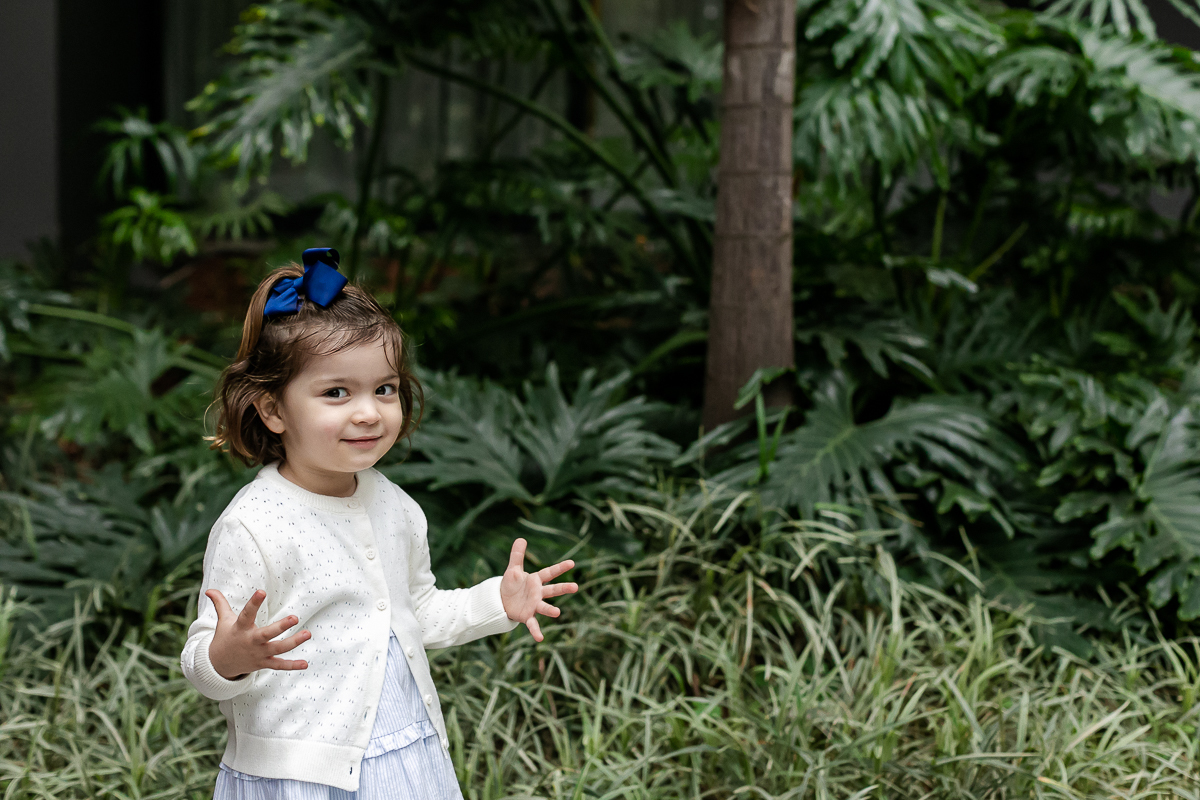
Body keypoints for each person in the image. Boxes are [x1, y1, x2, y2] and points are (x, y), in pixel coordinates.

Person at [180, 248, 578, 799]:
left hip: (405, 759)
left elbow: (417, 614)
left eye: (383, 389)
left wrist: (498, 603)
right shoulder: (254, 525)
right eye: (336, 392)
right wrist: (229, 656)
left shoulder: (394, 505)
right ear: (273, 410)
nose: (368, 411)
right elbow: (201, 659)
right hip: (300, 776)